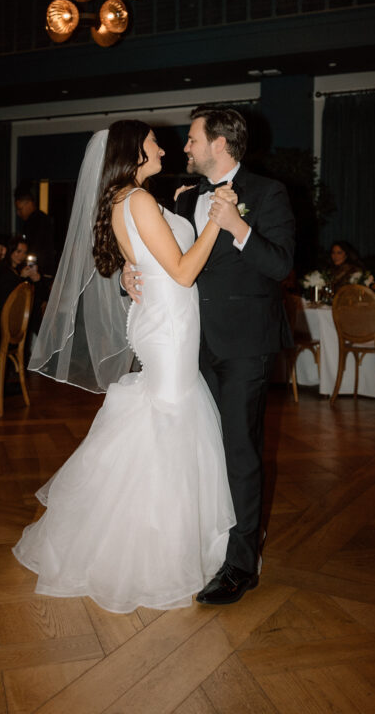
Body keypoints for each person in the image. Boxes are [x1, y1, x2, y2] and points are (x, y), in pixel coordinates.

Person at [13, 121, 237, 613]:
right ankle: (157, 553)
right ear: (135, 150)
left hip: (164, 318)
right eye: (154, 140)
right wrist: (219, 222)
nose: (163, 145)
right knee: (173, 418)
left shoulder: (133, 198)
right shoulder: (133, 199)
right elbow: (181, 270)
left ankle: (152, 536)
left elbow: (151, 262)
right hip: (168, 324)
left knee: (165, 417)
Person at [123, 106, 295, 605]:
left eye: (193, 139)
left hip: (245, 344)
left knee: (240, 450)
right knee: (203, 448)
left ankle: (241, 565)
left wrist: (239, 228)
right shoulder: (185, 196)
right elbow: (168, 262)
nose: (186, 148)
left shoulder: (268, 193)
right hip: (190, 344)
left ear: (220, 143)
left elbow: (281, 264)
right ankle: (211, 540)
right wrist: (126, 279)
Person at [14, 182, 56, 277]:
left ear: (29, 203)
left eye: (20, 209)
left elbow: (36, 247)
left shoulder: (40, 221)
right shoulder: (34, 220)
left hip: (41, 270)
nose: (18, 213)